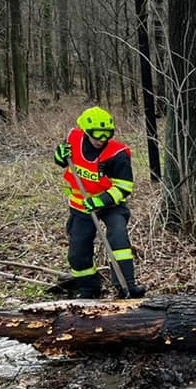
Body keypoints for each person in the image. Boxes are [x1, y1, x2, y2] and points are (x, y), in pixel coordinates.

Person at [54, 106, 146, 299]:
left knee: (119, 239)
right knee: (78, 252)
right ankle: (89, 289)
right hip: (80, 206)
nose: (101, 140)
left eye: (106, 135)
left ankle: (126, 286)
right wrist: (59, 155)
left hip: (112, 205)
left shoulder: (118, 155)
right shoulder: (74, 139)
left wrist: (99, 201)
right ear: (86, 132)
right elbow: (64, 161)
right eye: (96, 136)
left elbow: (124, 188)